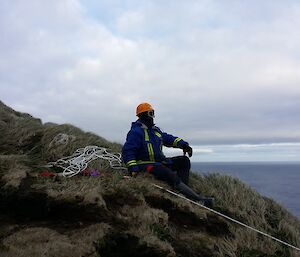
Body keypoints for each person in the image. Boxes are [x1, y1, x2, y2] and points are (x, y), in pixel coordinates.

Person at [122, 102, 213, 207]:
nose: (153, 117)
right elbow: (128, 151)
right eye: (150, 113)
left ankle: (182, 190)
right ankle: (198, 200)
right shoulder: (136, 132)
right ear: (143, 115)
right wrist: (133, 168)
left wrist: (184, 145)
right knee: (168, 174)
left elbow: (168, 138)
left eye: (153, 113)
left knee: (184, 161)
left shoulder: (155, 131)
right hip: (146, 165)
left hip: (160, 163)